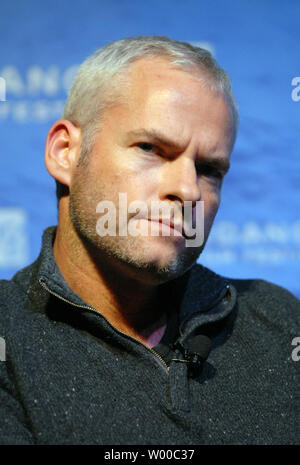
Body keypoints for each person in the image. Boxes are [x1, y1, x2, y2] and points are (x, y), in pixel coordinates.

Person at [0, 36, 299, 446]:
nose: (188, 190)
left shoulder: (282, 325)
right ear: (66, 152)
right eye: (152, 149)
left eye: (210, 169)